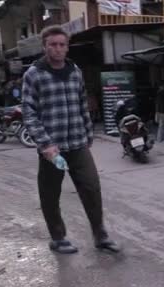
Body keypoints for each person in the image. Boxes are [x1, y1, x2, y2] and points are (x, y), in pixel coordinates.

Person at [22, 25, 120, 254]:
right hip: (52, 149)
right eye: (52, 45)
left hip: (77, 143)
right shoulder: (34, 74)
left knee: (92, 188)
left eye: (61, 44)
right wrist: (45, 144)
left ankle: (100, 235)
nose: (57, 49)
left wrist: (88, 134)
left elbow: (82, 104)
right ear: (45, 46)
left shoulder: (75, 71)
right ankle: (58, 237)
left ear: (67, 47)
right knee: (50, 194)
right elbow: (29, 112)